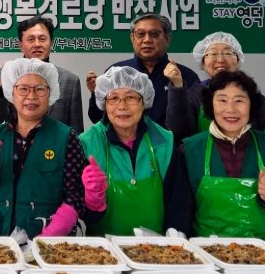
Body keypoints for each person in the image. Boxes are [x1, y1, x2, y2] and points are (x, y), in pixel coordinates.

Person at [0, 58, 99, 239]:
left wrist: (52, 234)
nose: (31, 96)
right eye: (23, 88)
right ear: (11, 93)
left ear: (50, 93)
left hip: (48, 243)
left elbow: (75, 195)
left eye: (40, 89)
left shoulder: (66, 137)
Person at [183, 70, 265, 238]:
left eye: (239, 100)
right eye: (222, 100)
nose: (231, 109)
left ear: (251, 105)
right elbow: (181, 211)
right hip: (208, 249)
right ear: (210, 104)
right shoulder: (190, 150)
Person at [80, 67, 190, 236]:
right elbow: (82, 215)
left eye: (130, 97)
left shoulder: (164, 140)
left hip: (157, 246)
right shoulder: (87, 143)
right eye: (113, 98)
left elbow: (177, 200)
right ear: (104, 104)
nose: (122, 106)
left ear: (143, 102)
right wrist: (93, 200)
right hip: (103, 247)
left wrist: (175, 233)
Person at [86, 12, 199, 128]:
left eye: (154, 34)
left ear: (167, 39)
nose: (147, 40)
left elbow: (190, 125)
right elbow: (98, 119)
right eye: (140, 34)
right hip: (125, 139)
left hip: (171, 140)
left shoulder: (187, 76)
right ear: (132, 38)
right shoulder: (116, 73)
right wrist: (96, 93)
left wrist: (178, 87)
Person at [167, 32, 265, 139]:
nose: (220, 60)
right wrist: (177, 85)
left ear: (238, 60)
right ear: (203, 63)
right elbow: (179, 131)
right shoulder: (194, 95)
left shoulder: (255, 97)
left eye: (228, 53)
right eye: (213, 54)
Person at [0, 15, 84, 132]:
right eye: (31, 39)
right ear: (21, 45)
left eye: (42, 39)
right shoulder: (7, 75)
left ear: (51, 43)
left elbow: (76, 130)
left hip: (57, 143)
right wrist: (1, 85)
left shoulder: (70, 81)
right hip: (17, 142)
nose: (37, 44)